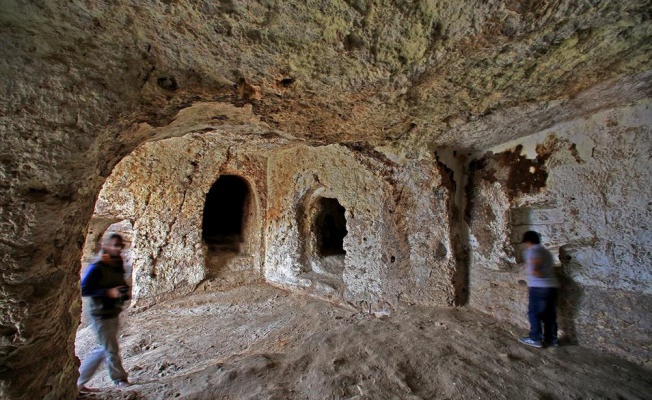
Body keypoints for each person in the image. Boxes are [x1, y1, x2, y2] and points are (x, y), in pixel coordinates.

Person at [77, 234, 130, 392]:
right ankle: (120, 379)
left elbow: (120, 283)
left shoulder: (117, 263)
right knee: (110, 348)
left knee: (104, 348)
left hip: (112, 311)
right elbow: (84, 289)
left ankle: (78, 382)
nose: (117, 248)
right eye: (114, 245)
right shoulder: (97, 266)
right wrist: (108, 292)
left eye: (120, 245)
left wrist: (122, 292)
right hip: (100, 314)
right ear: (106, 246)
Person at [518, 231, 559, 349]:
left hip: (539, 287)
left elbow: (535, 270)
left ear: (528, 241)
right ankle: (552, 339)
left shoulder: (532, 251)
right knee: (549, 315)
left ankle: (535, 338)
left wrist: (536, 274)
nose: (526, 245)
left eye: (526, 242)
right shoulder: (546, 252)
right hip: (552, 286)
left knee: (534, 313)